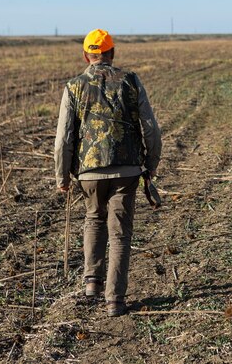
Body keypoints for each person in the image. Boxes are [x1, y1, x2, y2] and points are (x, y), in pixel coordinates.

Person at [54, 29, 162, 317]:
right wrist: (151, 163)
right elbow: (150, 127)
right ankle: (114, 300)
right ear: (112, 54)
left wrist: (62, 175)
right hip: (126, 170)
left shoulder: (73, 86)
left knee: (93, 218)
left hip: (89, 172)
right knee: (120, 235)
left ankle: (92, 282)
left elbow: (64, 137)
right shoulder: (130, 81)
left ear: (86, 56)